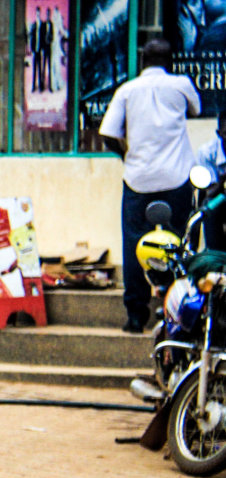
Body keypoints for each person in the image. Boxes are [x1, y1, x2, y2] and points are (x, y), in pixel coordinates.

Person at [99, 38, 201, 333]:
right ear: (170, 61)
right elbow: (195, 109)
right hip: (176, 177)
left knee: (134, 244)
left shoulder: (127, 91)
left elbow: (107, 133)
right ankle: (178, 310)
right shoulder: (181, 85)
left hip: (138, 178)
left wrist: (126, 155)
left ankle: (135, 315)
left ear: (142, 60)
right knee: (180, 244)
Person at [196, 111, 226, 251]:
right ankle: (215, 257)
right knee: (209, 207)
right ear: (219, 133)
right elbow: (210, 191)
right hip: (219, 198)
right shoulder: (206, 152)